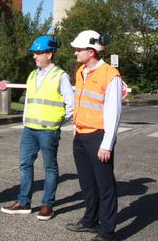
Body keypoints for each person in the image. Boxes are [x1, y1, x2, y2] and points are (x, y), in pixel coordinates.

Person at [1, 35, 74, 221]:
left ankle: (47, 205)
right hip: (29, 130)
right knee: (25, 165)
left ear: (49, 54)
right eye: (34, 53)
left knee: (50, 168)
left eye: (38, 53)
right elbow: (29, 103)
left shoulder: (61, 75)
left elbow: (71, 105)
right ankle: (23, 203)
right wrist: (25, 122)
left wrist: (58, 123)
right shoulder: (32, 75)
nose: (34, 56)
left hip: (48, 131)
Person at [66, 30, 122, 241]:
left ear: (91, 52)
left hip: (99, 137)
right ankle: (90, 220)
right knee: (87, 184)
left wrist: (107, 143)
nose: (75, 53)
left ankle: (107, 232)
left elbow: (113, 112)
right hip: (80, 135)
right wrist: (76, 124)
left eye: (78, 50)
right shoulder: (81, 71)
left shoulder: (110, 74)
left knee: (105, 186)